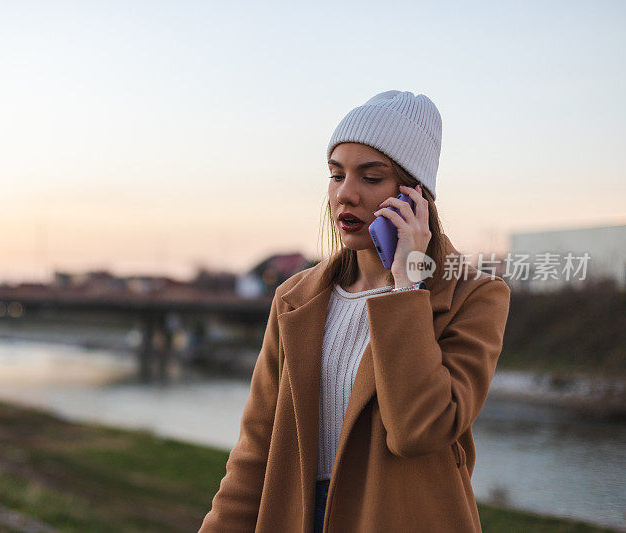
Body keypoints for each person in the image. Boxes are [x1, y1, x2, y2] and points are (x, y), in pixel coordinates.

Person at [199, 90, 511, 532]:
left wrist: (407, 286)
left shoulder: (473, 295)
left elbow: (418, 430)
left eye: (370, 177)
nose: (345, 194)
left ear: (414, 192)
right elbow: (256, 451)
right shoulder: (295, 297)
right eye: (335, 174)